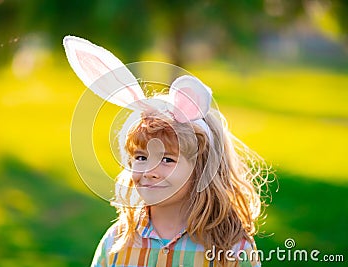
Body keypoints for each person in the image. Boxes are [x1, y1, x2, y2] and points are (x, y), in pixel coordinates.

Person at [63, 36, 270, 266]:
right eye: (141, 157)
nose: (150, 171)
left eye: (167, 159)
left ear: (201, 168)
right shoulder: (117, 242)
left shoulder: (231, 249)